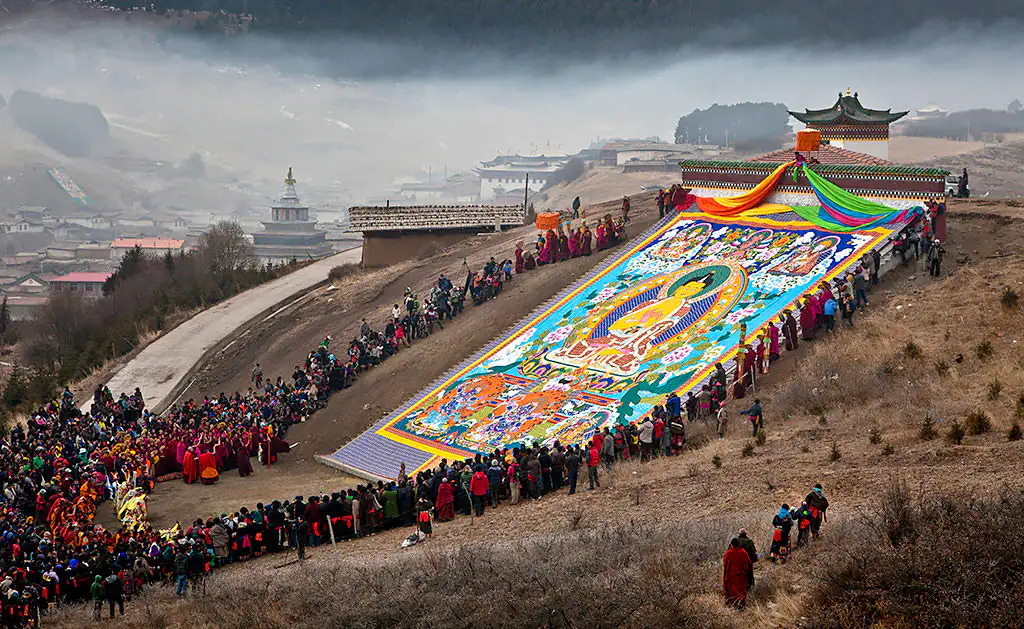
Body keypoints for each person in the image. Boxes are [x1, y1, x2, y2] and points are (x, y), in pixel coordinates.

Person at [722, 538, 754, 609]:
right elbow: (748, 562)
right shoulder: (743, 552)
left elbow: (724, 563)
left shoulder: (728, 553)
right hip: (742, 576)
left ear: (732, 545)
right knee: (742, 590)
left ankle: (733, 604)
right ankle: (741, 604)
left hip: (731, 576)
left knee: (732, 590)